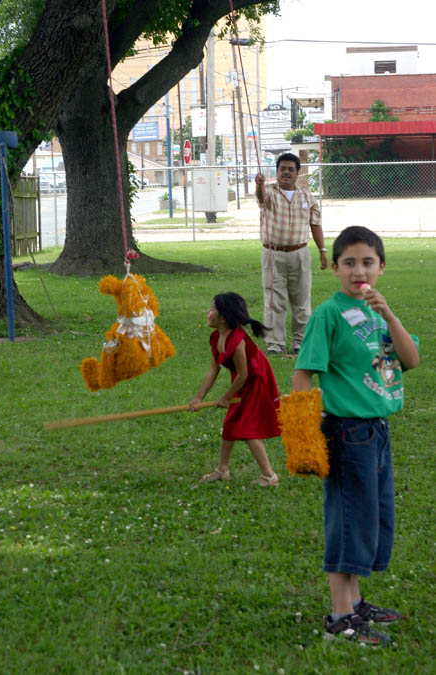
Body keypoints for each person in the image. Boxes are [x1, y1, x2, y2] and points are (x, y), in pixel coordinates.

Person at [292, 226, 419, 645]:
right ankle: (340, 618)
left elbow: (410, 359)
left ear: (382, 267)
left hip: (377, 432)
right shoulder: (328, 314)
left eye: (367, 262)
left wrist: (390, 315)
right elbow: (303, 372)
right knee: (348, 520)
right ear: (335, 267)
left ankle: (357, 601)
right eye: (349, 263)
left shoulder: (377, 313)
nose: (358, 271)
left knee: (369, 518)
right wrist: (306, 435)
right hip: (345, 432)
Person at [190, 292, 280, 487]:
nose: (208, 312)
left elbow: (244, 374)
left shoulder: (237, 340)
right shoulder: (216, 338)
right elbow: (213, 370)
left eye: (212, 309)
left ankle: (269, 476)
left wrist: (225, 397)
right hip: (242, 382)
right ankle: (222, 470)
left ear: (222, 318)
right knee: (231, 424)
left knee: (247, 430)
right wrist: (198, 397)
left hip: (256, 382)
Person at [255, 152, 329, 357]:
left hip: (300, 253)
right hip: (273, 254)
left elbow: (315, 224)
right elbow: (261, 198)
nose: (286, 172)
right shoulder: (269, 192)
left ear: (298, 173)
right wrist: (259, 184)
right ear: (277, 172)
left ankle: (301, 342)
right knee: (273, 300)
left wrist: (323, 251)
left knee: (302, 300)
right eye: (282, 169)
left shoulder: (307, 196)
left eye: (290, 169)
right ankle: (275, 344)